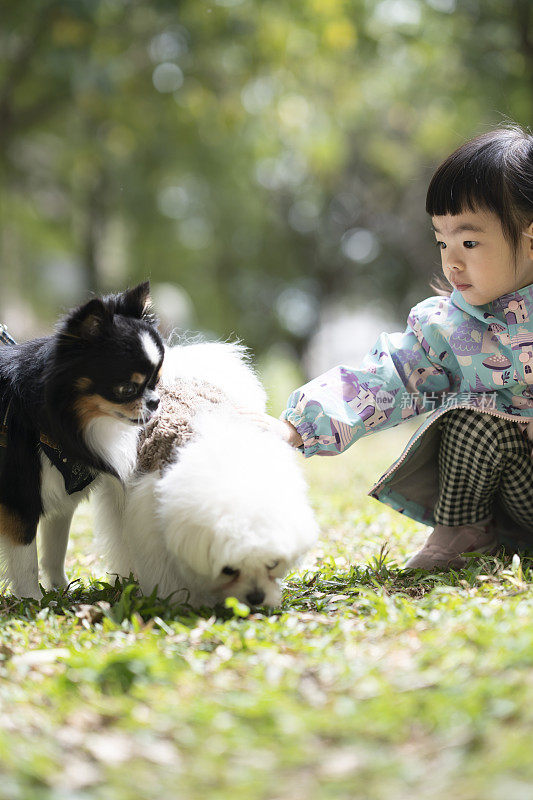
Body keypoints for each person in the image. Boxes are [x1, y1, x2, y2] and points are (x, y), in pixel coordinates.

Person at [276, 125, 533, 568]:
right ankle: (464, 533)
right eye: (442, 241)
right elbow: (386, 378)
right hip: (518, 495)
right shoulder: (448, 329)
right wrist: (298, 426)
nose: (451, 260)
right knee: (470, 419)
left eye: (469, 242)